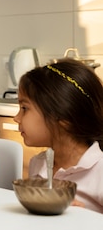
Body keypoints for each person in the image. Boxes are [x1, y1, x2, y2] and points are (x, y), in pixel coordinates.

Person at [15, 59, 103, 213]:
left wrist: (88, 218)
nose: (16, 117)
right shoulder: (38, 164)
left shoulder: (99, 171)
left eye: (24, 108)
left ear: (64, 119)